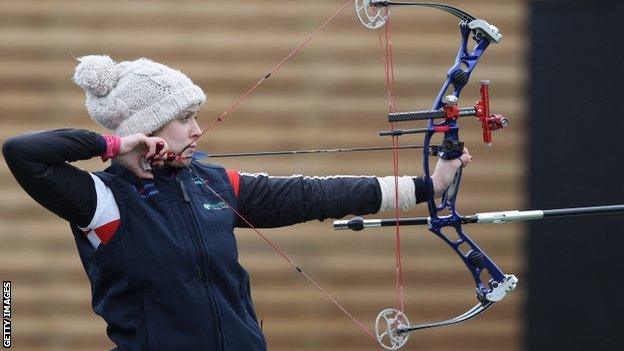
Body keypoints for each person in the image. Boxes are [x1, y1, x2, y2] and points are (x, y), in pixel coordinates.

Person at [2, 55, 471, 351]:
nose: (197, 130)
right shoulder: (101, 201)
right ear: (149, 128)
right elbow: (23, 152)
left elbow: (313, 195)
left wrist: (427, 185)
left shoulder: (214, 183)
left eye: (196, 116)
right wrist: (113, 145)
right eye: (184, 118)